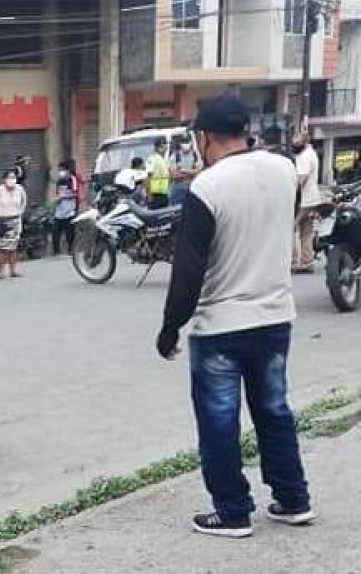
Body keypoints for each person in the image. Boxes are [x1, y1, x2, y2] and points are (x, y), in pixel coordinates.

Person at [156, 93, 313, 538]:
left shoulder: (207, 187)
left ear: (204, 138)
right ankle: (293, 498)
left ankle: (231, 510)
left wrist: (170, 327)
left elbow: (189, 269)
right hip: (275, 317)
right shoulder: (284, 170)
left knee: (219, 420)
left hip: (221, 325)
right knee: (274, 410)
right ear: (245, 131)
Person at [0, 169, 28, 279]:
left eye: (14, 177)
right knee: (3, 248)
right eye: (9, 177)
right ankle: (1, 271)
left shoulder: (19, 189)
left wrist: (20, 212)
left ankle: (13, 270)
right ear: (4, 180)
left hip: (16, 220)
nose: (12, 180)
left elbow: (24, 201)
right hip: (3, 221)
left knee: (13, 247)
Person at [291, 132, 322, 274]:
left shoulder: (304, 156)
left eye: (296, 143)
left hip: (304, 200)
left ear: (303, 143)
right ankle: (306, 261)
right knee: (306, 231)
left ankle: (293, 261)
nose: (294, 146)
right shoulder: (312, 153)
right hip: (312, 198)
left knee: (289, 228)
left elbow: (301, 179)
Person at [52, 161, 80, 256]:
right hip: (59, 211)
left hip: (70, 210)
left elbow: (76, 193)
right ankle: (56, 252)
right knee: (55, 231)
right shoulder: (59, 181)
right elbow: (57, 193)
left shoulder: (72, 179)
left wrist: (64, 197)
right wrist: (57, 199)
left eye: (62, 170)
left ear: (67, 170)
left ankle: (71, 250)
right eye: (59, 170)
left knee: (70, 232)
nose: (60, 172)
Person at [145, 139, 172, 209]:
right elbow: (148, 177)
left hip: (163, 194)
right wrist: (149, 195)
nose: (166, 148)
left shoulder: (162, 159)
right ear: (158, 147)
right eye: (164, 146)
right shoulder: (152, 158)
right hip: (155, 195)